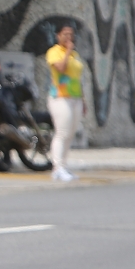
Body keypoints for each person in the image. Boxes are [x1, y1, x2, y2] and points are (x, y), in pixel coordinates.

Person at [46, 24, 84, 182]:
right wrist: (67, 51)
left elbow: (77, 78)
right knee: (62, 132)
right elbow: (61, 68)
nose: (69, 37)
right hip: (60, 97)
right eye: (65, 34)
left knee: (71, 133)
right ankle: (57, 167)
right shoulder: (54, 52)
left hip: (75, 97)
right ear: (58, 36)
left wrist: (83, 100)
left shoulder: (75, 54)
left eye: (71, 34)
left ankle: (64, 165)